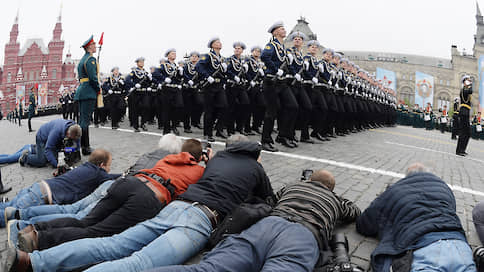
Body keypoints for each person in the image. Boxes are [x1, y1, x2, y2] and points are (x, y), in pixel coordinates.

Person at [5, 135, 275, 272]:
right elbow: (268, 200)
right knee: (139, 262)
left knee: (109, 243)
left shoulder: (216, 160)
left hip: (174, 206)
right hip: (200, 218)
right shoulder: (254, 169)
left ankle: (33, 261)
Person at [146, 169, 361, 272]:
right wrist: (337, 199)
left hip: (267, 226)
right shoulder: (335, 199)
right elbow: (354, 212)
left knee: (207, 269)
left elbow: (271, 200)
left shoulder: (293, 187)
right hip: (302, 236)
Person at [17, 139, 206, 252]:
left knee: (84, 221)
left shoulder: (169, 158)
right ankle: (39, 240)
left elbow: (183, 157)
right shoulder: (198, 170)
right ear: (198, 158)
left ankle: (34, 229)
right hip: (148, 197)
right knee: (95, 232)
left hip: (128, 183)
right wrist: (205, 159)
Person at [356, 163, 476, 271]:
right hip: (460, 246)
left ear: (407, 176)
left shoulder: (395, 189)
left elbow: (364, 223)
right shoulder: (444, 188)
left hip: (424, 247)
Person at [0, 149, 118, 228]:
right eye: (109, 166)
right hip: (40, 197)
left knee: (7, 207)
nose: (109, 169)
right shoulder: (98, 173)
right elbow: (111, 178)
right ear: (102, 165)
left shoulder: (85, 167)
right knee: (4, 218)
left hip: (38, 188)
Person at [261, 21, 299, 151]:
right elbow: (264, 56)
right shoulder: (271, 45)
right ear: (275, 32)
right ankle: (265, 140)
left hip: (282, 83)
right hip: (271, 82)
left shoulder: (283, 47)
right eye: (282, 29)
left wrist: (294, 74)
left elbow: (288, 64)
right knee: (271, 111)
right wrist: (276, 69)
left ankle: (283, 136)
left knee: (293, 106)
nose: (284, 31)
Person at [196, 37, 229, 142]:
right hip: (210, 86)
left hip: (219, 86)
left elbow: (224, 74)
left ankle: (219, 129)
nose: (219, 43)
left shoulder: (222, 59)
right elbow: (198, 67)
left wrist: (224, 80)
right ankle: (207, 133)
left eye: (220, 41)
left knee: (224, 106)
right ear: (212, 45)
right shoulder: (207, 56)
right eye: (217, 42)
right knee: (209, 110)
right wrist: (207, 76)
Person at [74, 35, 99, 155]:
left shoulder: (83, 60)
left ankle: (81, 146)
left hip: (82, 90)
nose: (96, 46)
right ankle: (85, 147)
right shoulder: (90, 60)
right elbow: (93, 78)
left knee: (82, 120)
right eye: (94, 45)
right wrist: (98, 89)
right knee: (85, 121)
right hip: (88, 91)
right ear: (89, 47)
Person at [153, 48, 184, 135]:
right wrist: (164, 79)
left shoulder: (177, 67)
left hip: (176, 89)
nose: (174, 54)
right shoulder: (163, 65)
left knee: (178, 107)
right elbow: (155, 73)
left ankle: (174, 126)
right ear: (168, 55)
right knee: (167, 109)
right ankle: (167, 129)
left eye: (175, 53)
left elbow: (179, 78)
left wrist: (180, 74)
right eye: (172, 53)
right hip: (167, 89)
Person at [225, 41, 250, 136]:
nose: (237, 50)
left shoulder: (242, 62)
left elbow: (245, 74)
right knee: (231, 108)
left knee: (245, 104)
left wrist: (246, 72)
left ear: (242, 50)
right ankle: (230, 130)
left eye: (239, 48)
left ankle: (240, 128)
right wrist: (233, 76)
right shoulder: (229, 60)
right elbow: (226, 70)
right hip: (231, 86)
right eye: (236, 48)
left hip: (240, 86)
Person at [456, 75, 473, 156]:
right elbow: (471, 91)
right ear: (464, 82)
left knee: (468, 133)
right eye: (467, 80)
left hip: (466, 112)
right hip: (463, 112)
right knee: (463, 132)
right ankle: (459, 150)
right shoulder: (464, 90)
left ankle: (462, 149)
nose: (469, 81)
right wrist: (470, 84)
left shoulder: (466, 89)